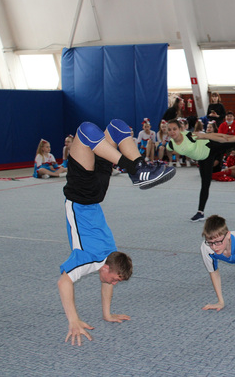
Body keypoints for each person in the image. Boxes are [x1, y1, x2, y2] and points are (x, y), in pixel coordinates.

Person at [58, 119, 175, 346]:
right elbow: (64, 282)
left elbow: (104, 278)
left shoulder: (110, 252)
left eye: (115, 281)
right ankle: (136, 168)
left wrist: (107, 314)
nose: (113, 284)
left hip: (94, 193)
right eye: (116, 280)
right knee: (87, 130)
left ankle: (137, 170)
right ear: (106, 267)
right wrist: (73, 320)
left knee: (115, 127)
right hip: (82, 194)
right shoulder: (90, 260)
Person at [166, 119, 235, 221]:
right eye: (169, 130)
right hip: (203, 159)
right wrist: (170, 160)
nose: (172, 132)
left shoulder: (188, 135)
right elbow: (168, 150)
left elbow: (208, 136)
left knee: (232, 142)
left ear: (180, 129)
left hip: (210, 146)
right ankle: (200, 212)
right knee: (205, 184)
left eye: (174, 129)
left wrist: (223, 137)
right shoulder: (171, 144)